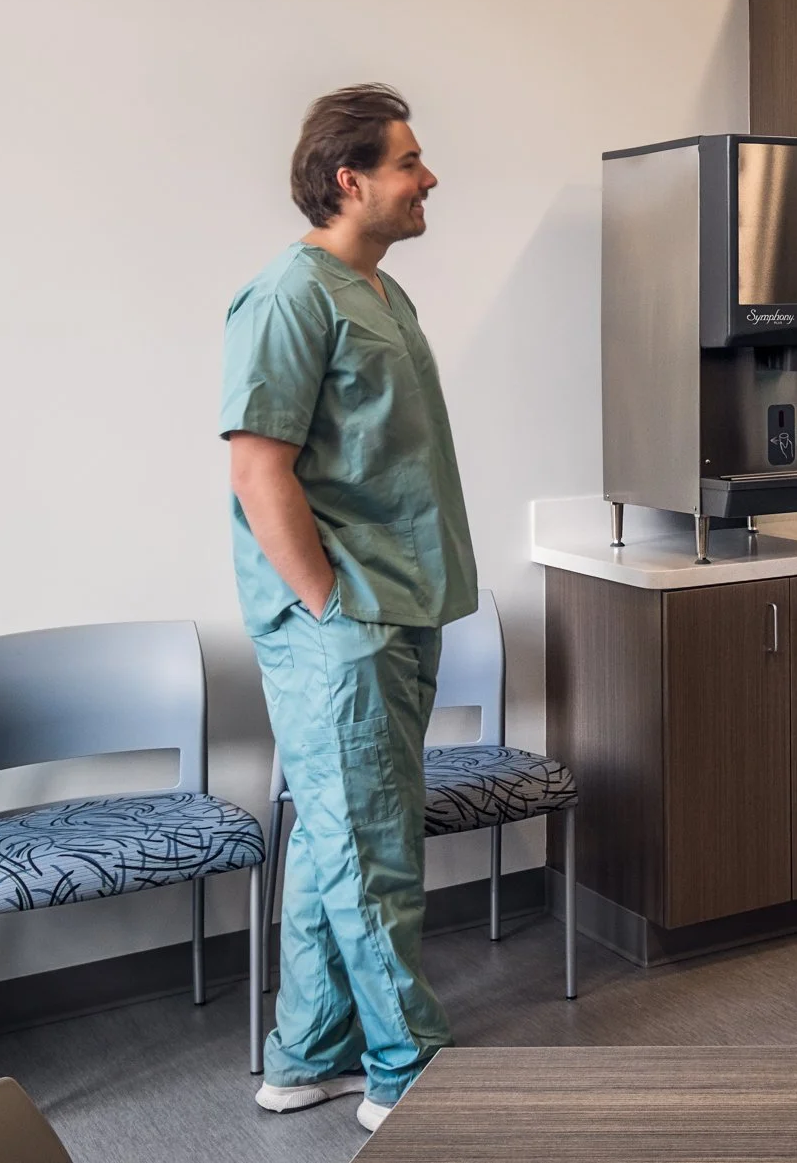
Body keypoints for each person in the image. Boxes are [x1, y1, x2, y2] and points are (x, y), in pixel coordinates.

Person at [220, 84, 477, 1130]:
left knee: (338, 842)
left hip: (399, 605)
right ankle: (408, 1074)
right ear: (351, 178)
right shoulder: (289, 295)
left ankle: (307, 1054)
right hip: (348, 622)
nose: (429, 179)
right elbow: (256, 470)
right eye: (411, 161)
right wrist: (330, 610)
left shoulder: (377, 291)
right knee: (374, 851)